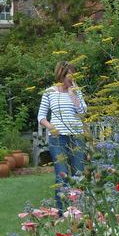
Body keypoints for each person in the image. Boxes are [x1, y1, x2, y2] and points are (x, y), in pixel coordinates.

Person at [37, 61, 87, 208]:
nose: (71, 79)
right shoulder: (49, 92)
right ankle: (61, 212)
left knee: (78, 174)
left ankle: (79, 211)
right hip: (58, 139)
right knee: (62, 174)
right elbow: (41, 117)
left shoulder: (77, 91)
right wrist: (51, 127)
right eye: (69, 76)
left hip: (77, 137)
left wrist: (73, 95)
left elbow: (83, 113)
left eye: (73, 76)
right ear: (61, 75)